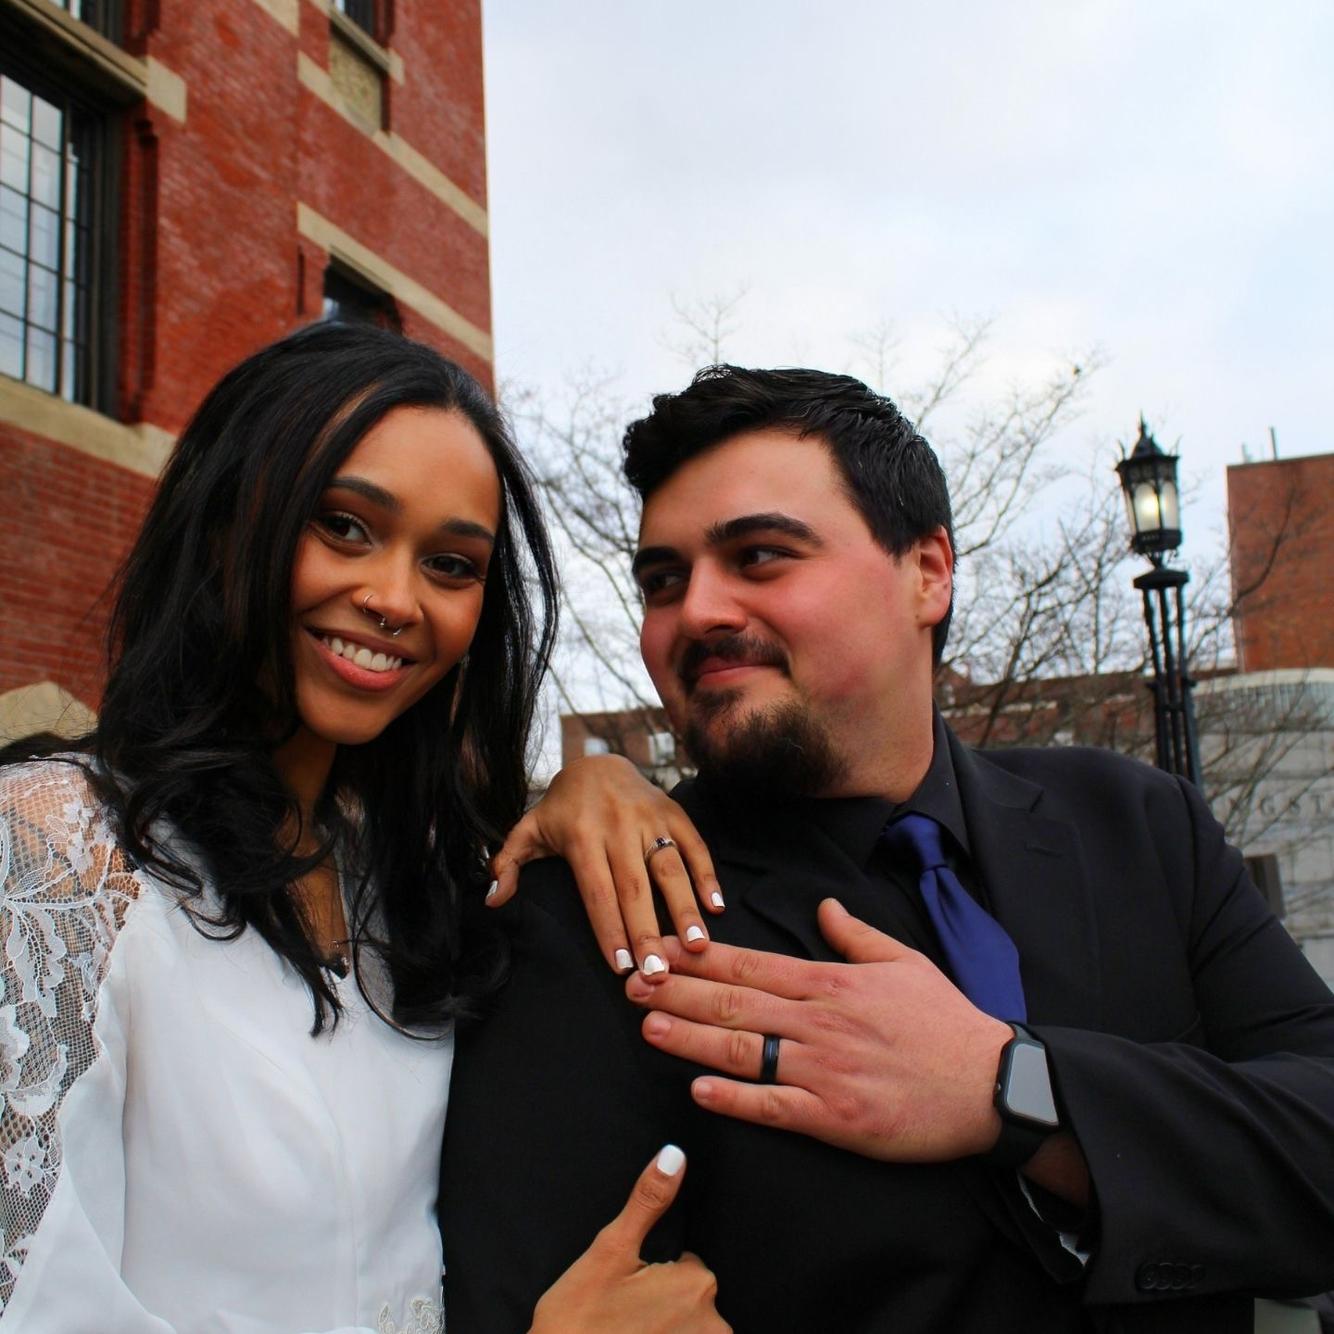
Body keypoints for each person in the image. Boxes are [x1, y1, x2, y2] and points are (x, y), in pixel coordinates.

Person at [440, 365, 1334, 1333]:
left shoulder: (1137, 823)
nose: (695, 611)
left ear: (928, 571)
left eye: (759, 555)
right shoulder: (595, 913)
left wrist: (1012, 1088)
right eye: (663, 579)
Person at [0, 323, 729, 1333]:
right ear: (226, 523)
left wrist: (593, 781)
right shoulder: (52, 853)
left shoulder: (411, 885)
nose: (394, 599)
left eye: (450, 563)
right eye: (343, 526)